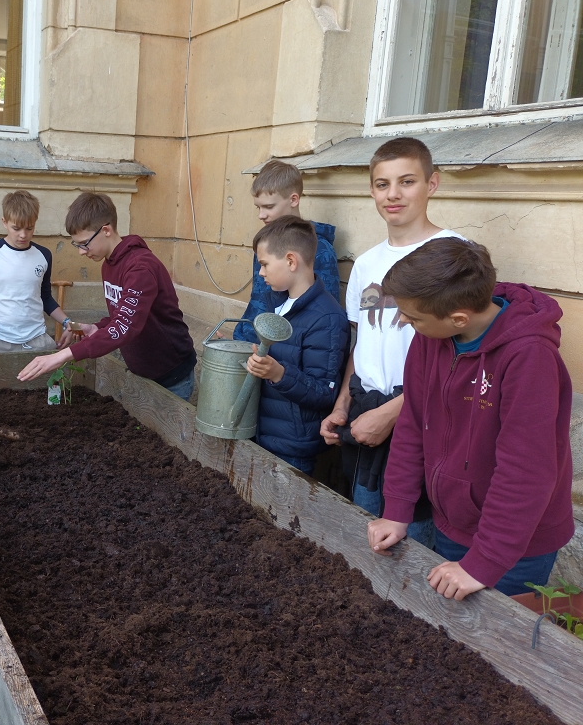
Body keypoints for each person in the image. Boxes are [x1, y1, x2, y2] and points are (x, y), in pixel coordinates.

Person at [368, 238, 575, 599]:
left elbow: (525, 471)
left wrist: (483, 562)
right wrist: (397, 509)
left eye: (413, 317)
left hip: (515, 548)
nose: (403, 321)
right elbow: (413, 424)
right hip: (453, 522)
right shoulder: (432, 336)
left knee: (495, 634)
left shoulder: (530, 357)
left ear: (459, 318)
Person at [320, 137, 462, 547]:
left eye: (407, 181)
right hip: (365, 412)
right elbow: (362, 343)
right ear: (371, 190)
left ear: (432, 184)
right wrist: (342, 405)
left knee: (412, 536)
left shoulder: (453, 256)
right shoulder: (366, 263)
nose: (393, 194)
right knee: (366, 525)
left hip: (422, 415)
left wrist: (392, 414)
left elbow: (459, 358)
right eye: (382, 184)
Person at [17, 192, 197, 400]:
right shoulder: (108, 264)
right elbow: (121, 316)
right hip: (144, 372)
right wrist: (96, 328)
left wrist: (62, 356)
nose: (81, 252)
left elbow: (124, 326)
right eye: (77, 245)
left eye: (84, 243)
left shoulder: (140, 268)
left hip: (171, 375)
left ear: (106, 230)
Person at [243, 216, 349, 474]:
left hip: (294, 446)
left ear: (291, 261)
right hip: (266, 431)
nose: (261, 272)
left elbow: (324, 392)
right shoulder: (277, 303)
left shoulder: (327, 319)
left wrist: (279, 374)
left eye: (264, 264)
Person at [233, 160, 340, 344]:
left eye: (269, 207)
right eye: (258, 207)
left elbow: (324, 315)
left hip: (282, 351)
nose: (261, 215)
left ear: (293, 200)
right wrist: (240, 336)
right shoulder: (266, 243)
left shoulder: (320, 250)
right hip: (250, 341)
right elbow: (258, 299)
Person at [0, 190, 72, 354]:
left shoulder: (44, 255)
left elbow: (45, 297)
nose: (23, 235)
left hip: (38, 339)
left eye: (29, 228)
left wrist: (68, 323)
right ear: (5, 222)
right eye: (16, 228)